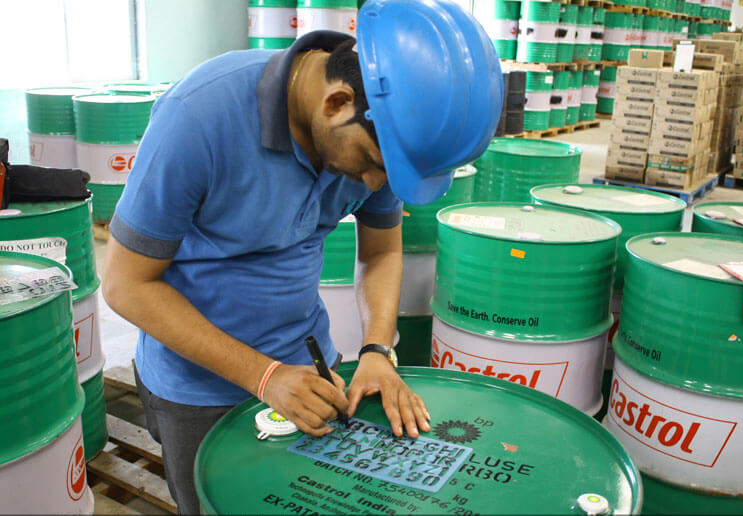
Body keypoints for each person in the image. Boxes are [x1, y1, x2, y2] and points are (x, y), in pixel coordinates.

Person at [101, 1, 501, 513]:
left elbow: (382, 250)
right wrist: (264, 376)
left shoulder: (378, 127)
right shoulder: (198, 116)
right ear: (337, 103)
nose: (378, 186)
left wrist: (378, 350)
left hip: (311, 368)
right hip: (198, 386)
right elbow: (125, 284)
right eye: (375, 167)